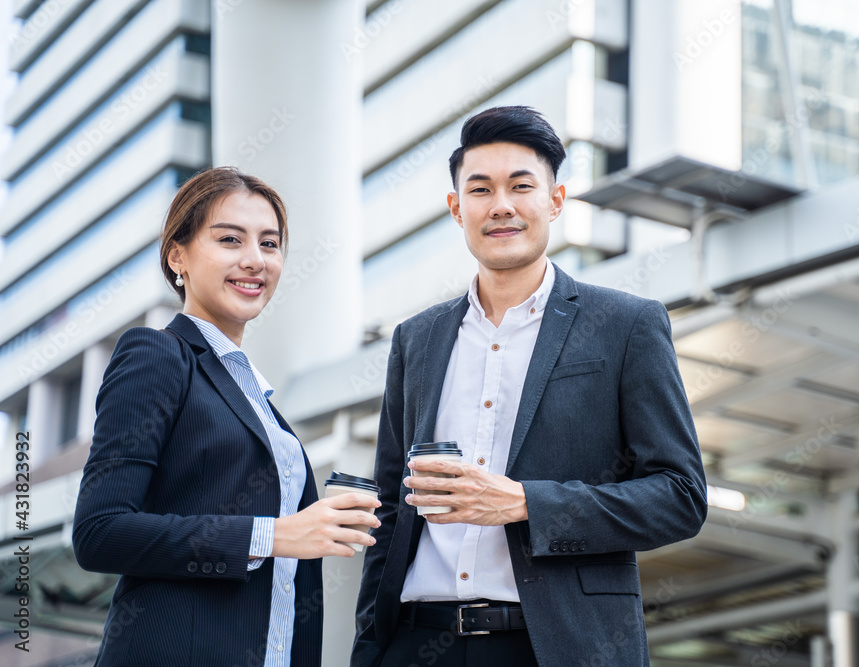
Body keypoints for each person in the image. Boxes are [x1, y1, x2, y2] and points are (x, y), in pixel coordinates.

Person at [352, 107, 707, 667]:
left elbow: (681, 497)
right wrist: (371, 647)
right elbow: (393, 508)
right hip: (417, 642)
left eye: (522, 186)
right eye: (480, 189)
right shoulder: (415, 340)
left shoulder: (625, 325)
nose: (501, 206)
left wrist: (525, 503)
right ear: (456, 208)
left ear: (555, 200)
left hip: (554, 645)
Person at [73, 166, 380, 667]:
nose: (254, 261)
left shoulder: (261, 402)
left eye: (270, 244)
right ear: (178, 255)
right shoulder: (157, 355)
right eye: (230, 240)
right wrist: (275, 535)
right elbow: (100, 532)